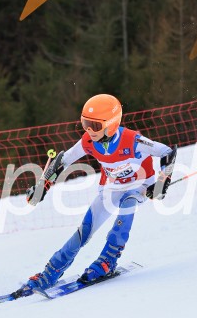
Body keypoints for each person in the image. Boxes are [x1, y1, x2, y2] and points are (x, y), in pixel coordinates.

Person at [16, 93, 176, 296]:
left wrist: (161, 183)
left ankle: (107, 260)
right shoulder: (88, 141)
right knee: (84, 230)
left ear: (111, 124)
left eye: (95, 126)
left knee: (128, 203)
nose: (89, 131)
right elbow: (63, 160)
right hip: (111, 188)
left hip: (141, 186)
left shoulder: (133, 140)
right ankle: (51, 272)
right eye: (85, 124)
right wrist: (42, 186)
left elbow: (167, 152)